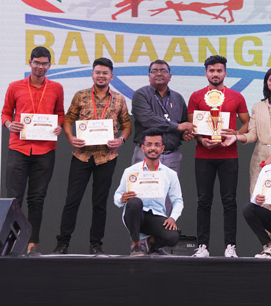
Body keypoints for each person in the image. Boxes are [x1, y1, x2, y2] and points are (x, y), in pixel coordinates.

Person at [53, 57, 131, 255]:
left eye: (105, 73)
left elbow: (126, 124)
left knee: (100, 203)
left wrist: (121, 140)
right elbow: (68, 119)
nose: (101, 76)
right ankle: (62, 243)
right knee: (72, 200)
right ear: (92, 74)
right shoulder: (80, 95)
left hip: (107, 157)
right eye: (98, 72)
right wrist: (70, 138)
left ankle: (96, 245)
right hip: (82, 155)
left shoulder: (119, 99)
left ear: (111, 76)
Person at [0, 46, 65, 255]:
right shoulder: (14, 86)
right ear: (30, 63)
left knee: (37, 199)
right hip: (19, 148)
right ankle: (11, 242)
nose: (40, 67)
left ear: (50, 65)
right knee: (14, 199)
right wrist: (10, 124)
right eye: (37, 63)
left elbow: (60, 114)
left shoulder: (56, 88)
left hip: (45, 150)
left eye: (44, 63)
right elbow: (5, 113)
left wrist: (59, 126)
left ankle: (32, 243)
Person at [187, 55, 249, 258]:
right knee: (203, 201)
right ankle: (202, 246)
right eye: (212, 70)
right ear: (206, 73)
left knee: (229, 201)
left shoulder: (236, 96)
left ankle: (230, 246)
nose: (215, 74)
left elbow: (247, 123)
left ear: (225, 73)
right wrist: (201, 140)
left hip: (229, 155)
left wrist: (236, 135)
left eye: (219, 70)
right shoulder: (196, 96)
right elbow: (192, 127)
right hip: (203, 155)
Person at [114, 129, 183, 257]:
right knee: (135, 202)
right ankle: (136, 245)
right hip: (135, 216)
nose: (153, 148)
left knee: (173, 237)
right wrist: (122, 198)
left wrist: (173, 217)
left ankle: (152, 243)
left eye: (157, 145)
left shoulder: (170, 174)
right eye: (149, 144)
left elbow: (178, 200)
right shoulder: (131, 171)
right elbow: (117, 196)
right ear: (143, 147)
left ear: (162, 148)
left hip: (156, 215)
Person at [131, 60, 195, 172]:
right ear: (149, 76)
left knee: (170, 184)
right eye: (154, 71)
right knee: (143, 184)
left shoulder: (178, 98)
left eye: (163, 71)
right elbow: (147, 119)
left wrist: (183, 135)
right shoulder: (140, 94)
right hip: (146, 155)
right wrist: (177, 127)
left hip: (172, 156)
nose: (159, 73)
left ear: (170, 76)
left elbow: (182, 123)